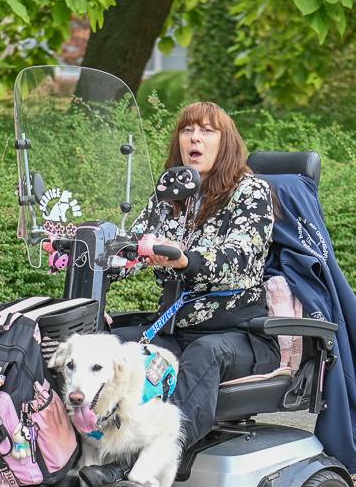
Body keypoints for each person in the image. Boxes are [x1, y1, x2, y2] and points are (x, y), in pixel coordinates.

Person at [114, 101, 281, 451]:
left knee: (204, 354)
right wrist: (97, 256)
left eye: (207, 131)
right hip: (175, 329)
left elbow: (239, 256)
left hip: (238, 335)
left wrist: (184, 260)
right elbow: (133, 246)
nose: (195, 138)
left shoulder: (249, 192)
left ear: (226, 142)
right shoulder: (169, 195)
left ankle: (147, 462)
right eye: (188, 129)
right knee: (105, 343)